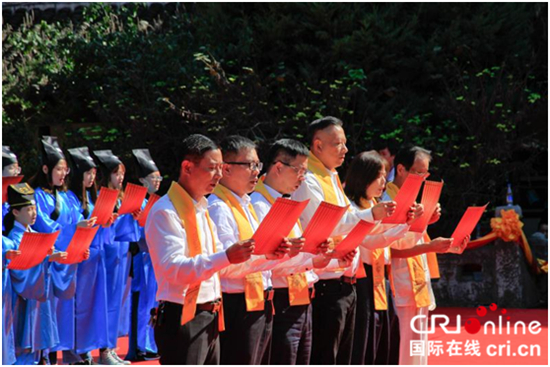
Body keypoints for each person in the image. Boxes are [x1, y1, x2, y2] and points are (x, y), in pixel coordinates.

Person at [292, 117, 394, 364]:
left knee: (344, 357)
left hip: (346, 280)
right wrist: (370, 215)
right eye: (338, 144)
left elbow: (349, 221)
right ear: (318, 146)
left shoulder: (331, 177)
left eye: (345, 143)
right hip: (327, 284)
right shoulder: (310, 181)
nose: (345, 150)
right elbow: (330, 223)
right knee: (328, 355)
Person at [145, 134, 255, 365]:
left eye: (221, 168)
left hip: (211, 314)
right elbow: (174, 269)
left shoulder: (201, 208)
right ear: (187, 167)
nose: (219, 175)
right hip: (183, 316)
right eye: (212, 168)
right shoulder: (166, 211)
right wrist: (225, 257)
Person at [208, 135, 296, 365]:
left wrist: (280, 254)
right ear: (225, 169)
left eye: (257, 165)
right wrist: (270, 256)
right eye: (249, 165)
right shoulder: (218, 208)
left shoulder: (246, 204)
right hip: (237, 304)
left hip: (262, 300)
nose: (256, 171)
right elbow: (226, 266)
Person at [383, 145, 469, 365]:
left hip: (418, 283)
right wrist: (431, 246)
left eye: (425, 173)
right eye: (417, 172)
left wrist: (448, 243)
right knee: (402, 349)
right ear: (400, 169)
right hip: (398, 284)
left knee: (418, 348)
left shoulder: (413, 200)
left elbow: (417, 241)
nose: (422, 178)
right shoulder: (387, 200)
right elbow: (389, 250)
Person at [345, 151, 418, 365]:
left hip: (381, 280)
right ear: (363, 177)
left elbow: (384, 241)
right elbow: (370, 241)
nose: (383, 182)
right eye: (378, 176)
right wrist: (403, 225)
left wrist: (406, 223)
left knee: (385, 339)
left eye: (385, 175)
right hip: (362, 279)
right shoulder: (353, 209)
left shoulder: (372, 207)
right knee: (365, 339)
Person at [29, 136, 95, 364]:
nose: (63, 174)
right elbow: (46, 227)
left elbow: (78, 221)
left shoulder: (67, 197)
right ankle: (44, 356)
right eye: (59, 169)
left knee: (66, 312)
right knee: (47, 313)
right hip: (50, 261)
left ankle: (68, 354)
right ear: (46, 169)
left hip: (68, 261)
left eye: (65, 170)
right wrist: (74, 229)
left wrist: (82, 244)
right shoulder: (36, 195)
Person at [66, 146, 112, 365]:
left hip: (95, 257)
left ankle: (90, 349)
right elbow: (63, 226)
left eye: (94, 173)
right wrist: (78, 225)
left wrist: (105, 222)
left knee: (95, 305)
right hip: (79, 258)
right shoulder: (70, 198)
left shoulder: (91, 199)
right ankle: (77, 351)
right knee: (78, 306)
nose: (92, 177)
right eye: (87, 173)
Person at [93, 149, 139, 365]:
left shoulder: (121, 198)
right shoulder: (102, 198)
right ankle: (103, 350)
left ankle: (111, 347)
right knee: (106, 302)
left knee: (117, 302)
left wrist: (132, 215)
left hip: (121, 253)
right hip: (106, 254)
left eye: (122, 173)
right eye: (116, 173)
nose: (120, 178)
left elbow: (126, 230)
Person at [126, 148, 162, 362]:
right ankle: (139, 344)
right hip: (142, 257)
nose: (157, 181)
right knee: (142, 303)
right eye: (153, 178)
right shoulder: (137, 202)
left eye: (159, 177)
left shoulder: (154, 200)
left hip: (153, 257)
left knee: (153, 303)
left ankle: (150, 342)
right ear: (142, 180)